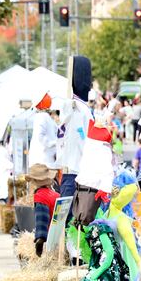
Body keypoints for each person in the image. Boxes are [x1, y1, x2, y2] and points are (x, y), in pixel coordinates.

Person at [58, 56, 93, 202]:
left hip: (72, 171)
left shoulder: (74, 108)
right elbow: (83, 142)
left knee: (68, 222)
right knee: (70, 222)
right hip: (76, 172)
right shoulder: (78, 110)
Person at [28, 92, 58, 169]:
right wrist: (52, 143)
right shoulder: (41, 117)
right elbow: (40, 136)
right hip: (43, 160)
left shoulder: (44, 116)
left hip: (47, 160)